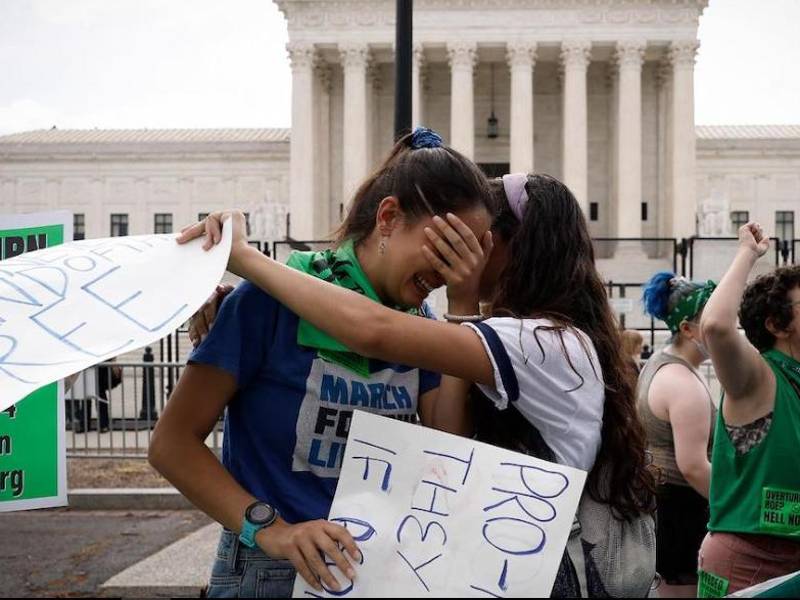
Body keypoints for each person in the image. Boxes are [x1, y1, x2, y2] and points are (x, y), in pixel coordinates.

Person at [181, 172, 657, 598]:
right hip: (310, 566)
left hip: (516, 569)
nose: (457, 260)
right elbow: (175, 441)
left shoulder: (539, 341)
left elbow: (375, 333)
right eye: (451, 240)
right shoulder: (493, 335)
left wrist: (248, 262)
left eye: (474, 242)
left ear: (512, 249)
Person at [148, 128, 495, 598]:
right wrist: (272, 530)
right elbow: (171, 443)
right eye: (446, 248)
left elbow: (449, 448)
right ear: (388, 218)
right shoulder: (265, 302)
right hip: (271, 570)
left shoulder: (424, 325)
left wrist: (463, 298)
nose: (453, 269)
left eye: (469, 255)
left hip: (372, 570)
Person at [697, 222, 800, 595]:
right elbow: (717, 327)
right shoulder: (759, 377)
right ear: (777, 325)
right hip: (749, 562)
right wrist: (747, 254)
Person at [639, 272, 717, 597]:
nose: (723, 326)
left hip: (665, 508)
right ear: (687, 328)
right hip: (681, 513)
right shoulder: (683, 383)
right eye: (713, 319)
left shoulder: (660, 363)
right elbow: (693, 466)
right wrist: (739, 505)